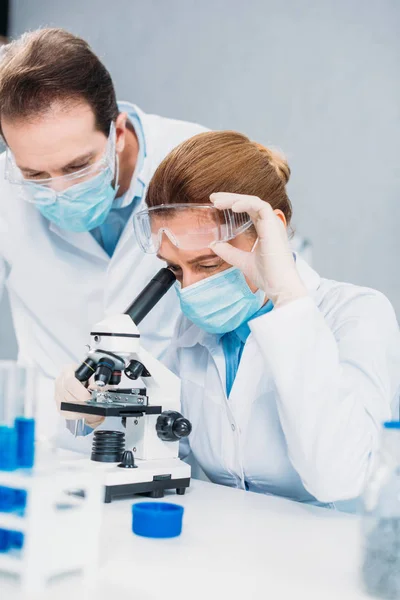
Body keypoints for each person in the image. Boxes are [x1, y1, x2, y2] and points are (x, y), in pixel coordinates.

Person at [57, 130, 400, 505]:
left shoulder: (357, 314)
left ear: (272, 234)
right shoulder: (195, 332)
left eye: (208, 263)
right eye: (175, 269)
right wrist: (100, 416)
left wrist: (288, 299)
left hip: (338, 552)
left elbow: (338, 477)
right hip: (233, 547)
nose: (189, 289)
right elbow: (166, 453)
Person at [0, 28, 207, 437]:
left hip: (183, 447)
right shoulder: (7, 191)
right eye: (35, 174)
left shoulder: (200, 167)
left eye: (78, 166)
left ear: (119, 131)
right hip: (54, 444)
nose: (59, 191)